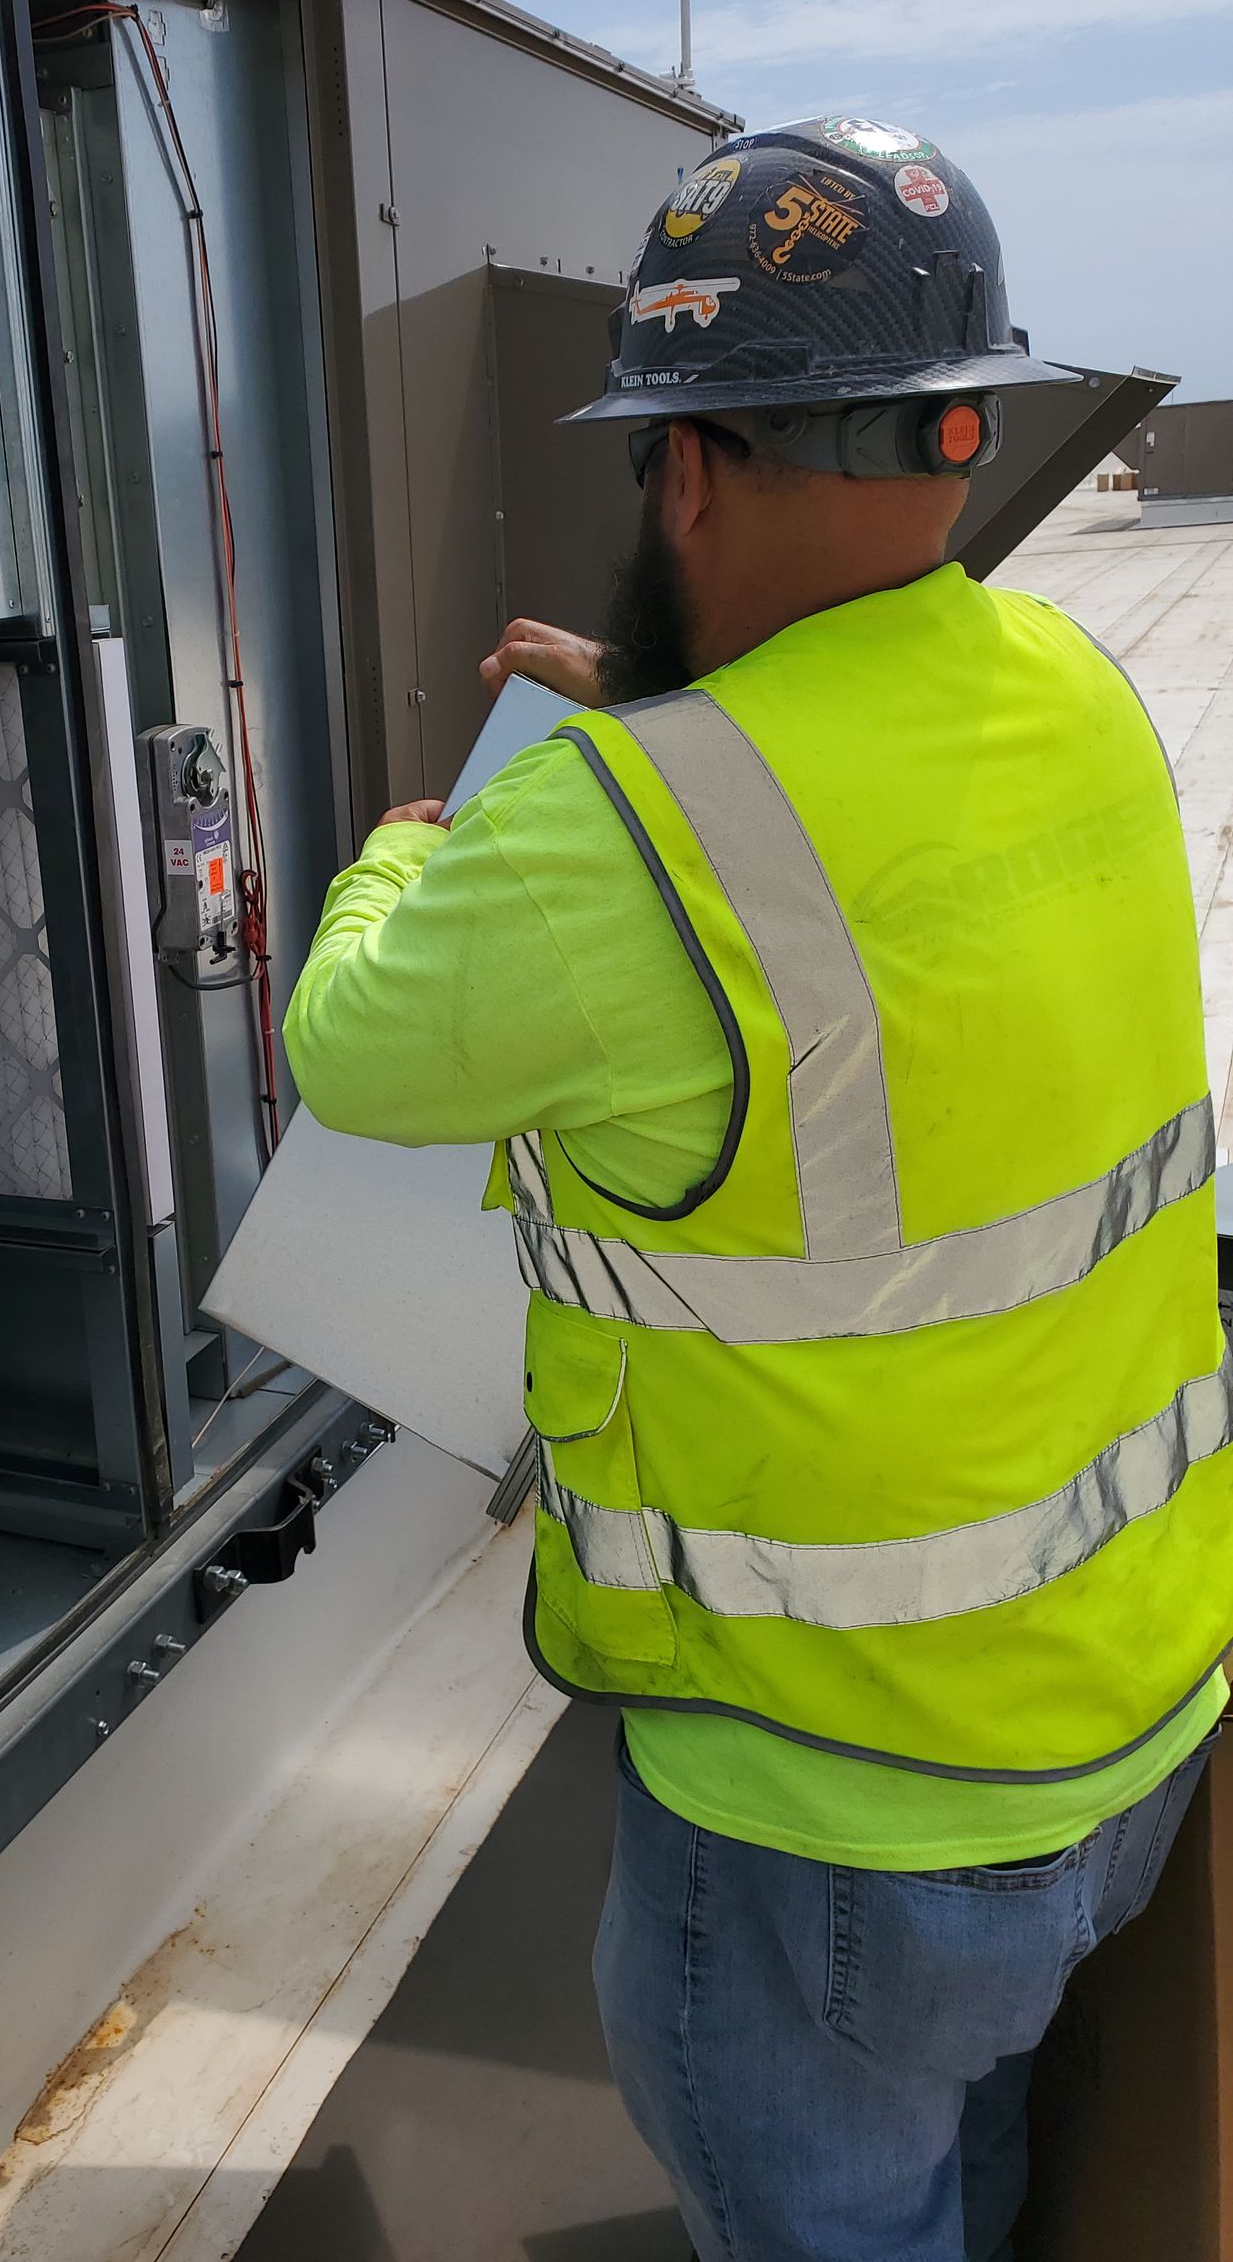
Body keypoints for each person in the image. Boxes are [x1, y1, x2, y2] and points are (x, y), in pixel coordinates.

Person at [281, 117, 1232, 2262]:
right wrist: (653, 721)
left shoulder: (598, 844)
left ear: (686, 466)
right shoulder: (1075, 692)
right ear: (958, 437)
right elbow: (854, 835)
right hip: (1139, 1716)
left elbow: (347, 1043)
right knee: (977, 2157)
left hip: (838, 1826)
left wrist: (413, 845)